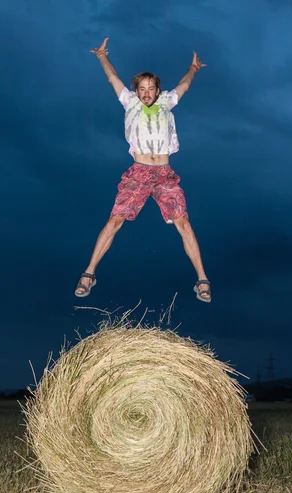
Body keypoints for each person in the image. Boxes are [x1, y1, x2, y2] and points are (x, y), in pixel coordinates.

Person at [74, 37, 211, 303]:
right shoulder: (130, 102)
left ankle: (202, 279)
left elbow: (183, 86)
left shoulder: (167, 102)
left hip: (164, 174)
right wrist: (102, 55)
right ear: (136, 91)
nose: (147, 93)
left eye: (151, 88)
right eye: (142, 89)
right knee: (115, 221)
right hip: (138, 173)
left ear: (158, 90)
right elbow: (113, 78)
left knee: (183, 223)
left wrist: (193, 69)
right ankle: (88, 273)